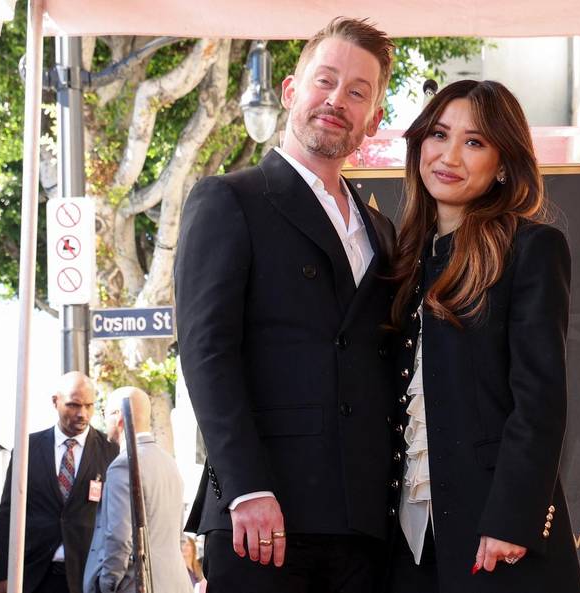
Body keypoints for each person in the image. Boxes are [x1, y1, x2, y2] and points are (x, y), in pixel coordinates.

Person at [174, 17, 398, 593]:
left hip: (364, 527)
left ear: (374, 118)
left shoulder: (382, 230)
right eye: (325, 80)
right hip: (262, 521)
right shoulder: (230, 199)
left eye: (357, 92)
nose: (337, 100)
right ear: (291, 90)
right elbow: (205, 351)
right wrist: (246, 487)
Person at [386, 79, 580, 592]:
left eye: (474, 142)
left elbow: (540, 401)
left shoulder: (532, 249)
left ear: (502, 163)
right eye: (439, 134)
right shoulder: (402, 260)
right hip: (407, 545)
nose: (449, 155)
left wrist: (512, 519)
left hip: (494, 536)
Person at [0, 372, 119, 593]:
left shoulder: (111, 453)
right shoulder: (27, 448)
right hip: (34, 577)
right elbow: (8, 513)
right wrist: (2, 575)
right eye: (73, 405)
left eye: (89, 405)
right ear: (55, 402)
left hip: (87, 578)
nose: (82, 414)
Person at [82, 387, 191, 593]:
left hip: (138, 584)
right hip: (176, 583)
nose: (103, 420)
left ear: (119, 417)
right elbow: (179, 537)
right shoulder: (168, 462)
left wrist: (107, 584)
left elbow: (119, 538)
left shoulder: (123, 465)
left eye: (105, 413)